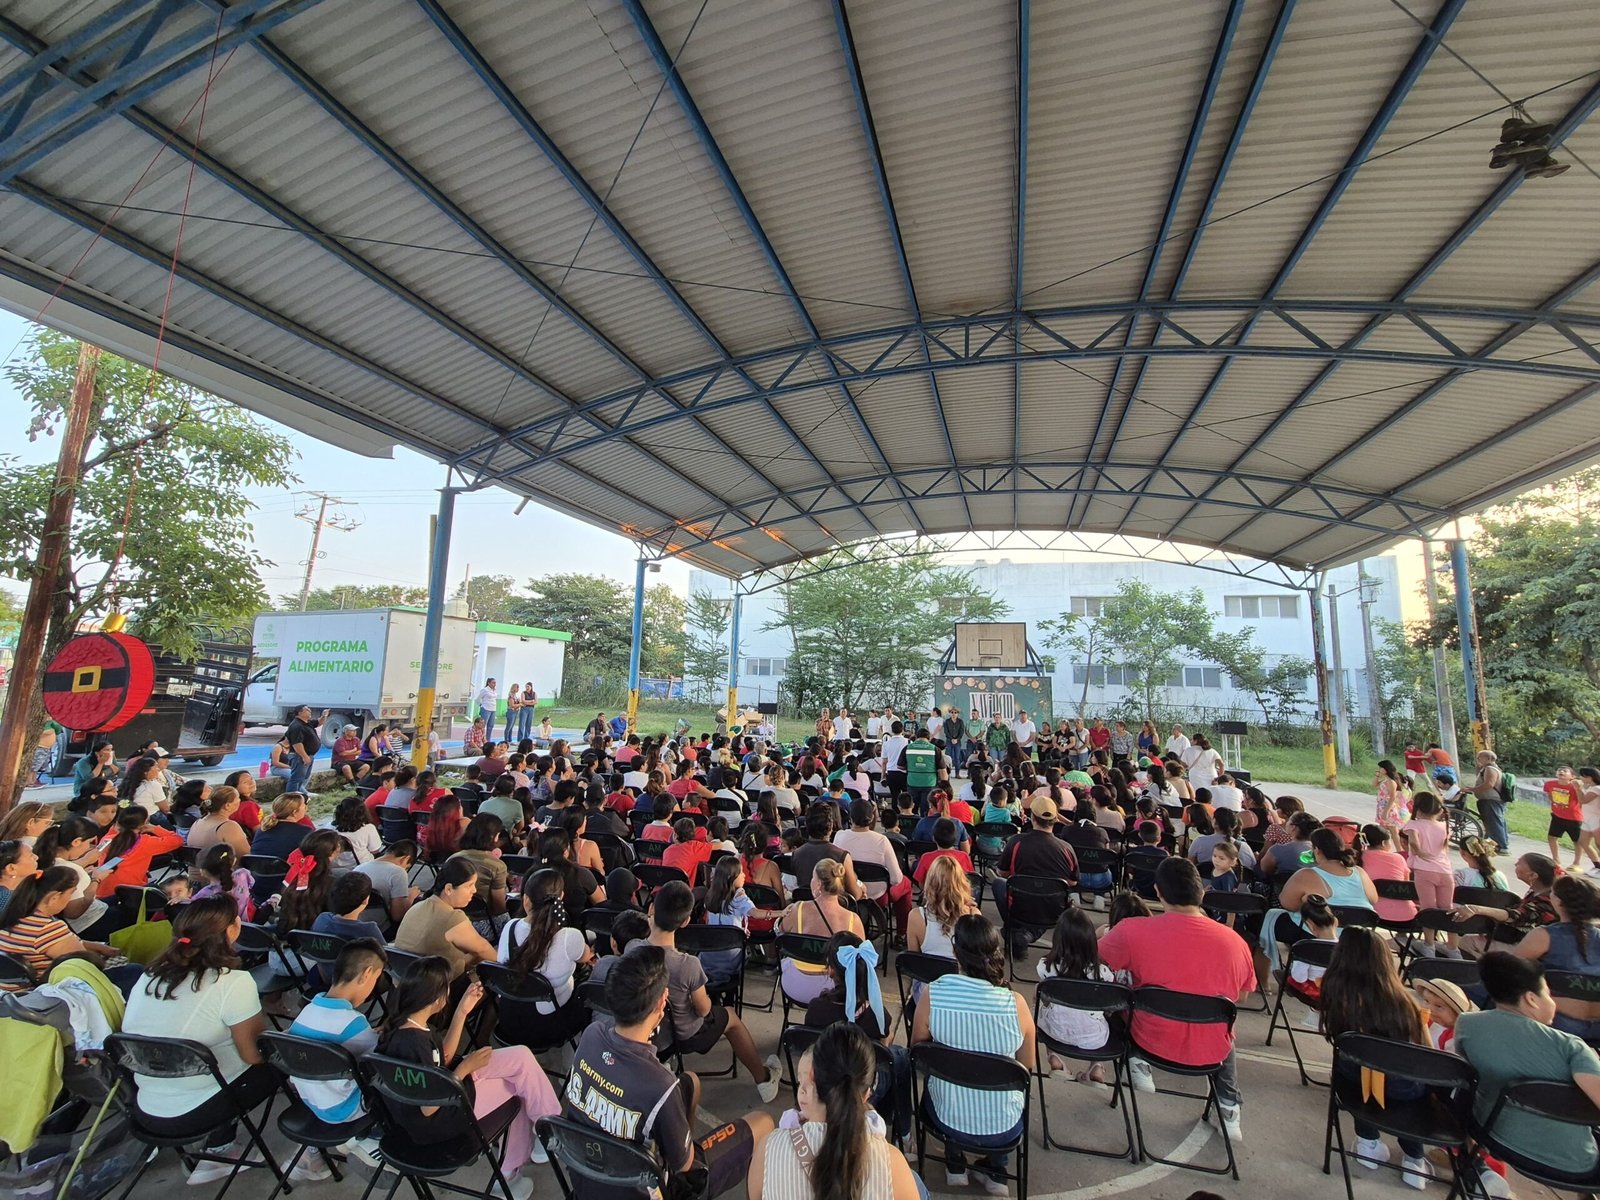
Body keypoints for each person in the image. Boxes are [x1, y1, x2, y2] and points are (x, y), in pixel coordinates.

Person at [566, 945, 774, 1200]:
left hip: (587, 1181)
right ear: (661, 1002)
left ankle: (677, 1141)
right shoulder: (659, 1084)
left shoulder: (591, 1037)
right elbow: (685, 1167)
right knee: (763, 1122)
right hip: (647, 1190)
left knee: (690, 1083)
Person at [121, 895, 294, 1185]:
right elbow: (255, 1055)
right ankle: (223, 1149)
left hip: (146, 1109)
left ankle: (217, 1148)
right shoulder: (233, 982)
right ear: (231, 930)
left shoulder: (148, 975)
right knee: (286, 1056)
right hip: (196, 1113)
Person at [1100, 858, 1255, 1143]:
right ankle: (1229, 1105)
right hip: (1211, 1049)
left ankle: (1135, 1060)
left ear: (1158, 892)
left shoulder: (1131, 931)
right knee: (1224, 1025)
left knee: (1119, 995)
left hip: (1148, 1038)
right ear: (1202, 893)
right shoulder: (1236, 942)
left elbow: (1092, 963)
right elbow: (1241, 996)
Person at [378, 956, 559, 1199]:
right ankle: (527, 1153)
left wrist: (462, 1011)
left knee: (521, 1059)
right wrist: (464, 1069)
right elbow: (428, 1107)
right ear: (437, 998)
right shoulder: (415, 1044)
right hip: (441, 1117)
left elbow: (442, 1058)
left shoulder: (403, 1027)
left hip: (442, 1092)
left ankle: (543, 1130)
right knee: (516, 1085)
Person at [912, 914, 1035, 1195]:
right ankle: (997, 1168)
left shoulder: (934, 994)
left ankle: (955, 1161)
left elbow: (918, 1050)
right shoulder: (1015, 1004)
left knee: (943, 1074)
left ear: (956, 952)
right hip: (1003, 1126)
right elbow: (1026, 1065)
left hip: (946, 1118)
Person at [1456, 953, 1600, 1186]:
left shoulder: (1467, 1024)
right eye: (1548, 994)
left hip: (1490, 1135)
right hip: (1571, 1164)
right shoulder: (1571, 1047)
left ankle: (1475, 1167)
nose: (1552, 1001)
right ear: (1531, 999)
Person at [1317, 926, 1437, 1187]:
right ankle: (1414, 1161)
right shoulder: (1405, 1003)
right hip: (1404, 1089)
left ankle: (1368, 1145)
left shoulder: (1334, 992)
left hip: (1354, 1083)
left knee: (1360, 1072)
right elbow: (1427, 1055)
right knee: (1411, 1087)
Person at [748, 1022, 919, 1200]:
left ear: (811, 1075)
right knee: (916, 1182)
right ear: (867, 1094)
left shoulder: (767, 1151)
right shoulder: (893, 1165)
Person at [648, 880, 782, 1101]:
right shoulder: (687, 964)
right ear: (685, 921)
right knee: (730, 1016)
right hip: (684, 1034)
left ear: (651, 908)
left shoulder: (633, 948)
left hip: (650, 1034)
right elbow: (703, 1010)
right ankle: (764, 1079)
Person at [285, 937, 386, 1164]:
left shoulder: (305, 1013)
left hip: (312, 1103)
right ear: (366, 974)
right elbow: (380, 1058)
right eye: (376, 979)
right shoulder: (353, 1024)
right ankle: (370, 1138)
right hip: (346, 1110)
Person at [0, 865, 141, 993]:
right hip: (45, 992)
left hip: (11, 992)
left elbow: (58, 944)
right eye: (71, 893)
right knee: (135, 970)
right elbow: (87, 964)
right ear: (55, 897)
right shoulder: (47, 928)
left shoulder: (14, 916)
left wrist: (96, 946)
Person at [499, 869, 595, 1043]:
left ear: (526, 900)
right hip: (548, 1029)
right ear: (561, 897)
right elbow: (585, 956)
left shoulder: (509, 927)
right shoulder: (569, 936)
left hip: (508, 1020)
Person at [1513, 873, 1600, 1040]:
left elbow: (1508, 972)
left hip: (1556, 1024)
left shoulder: (1544, 936)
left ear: (1558, 901)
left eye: (1552, 892)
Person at [1035, 907, 1114, 1081]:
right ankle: (1097, 1066)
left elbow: (1042, 999)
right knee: (1104, 1013)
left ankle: (1053, 1056)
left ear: (1058, 939)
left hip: (1054, 1031)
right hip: (1094, 1037)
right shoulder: (1102, 973)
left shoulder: (1046, 967)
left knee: (1038, 996)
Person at [393, 856, 499, 982]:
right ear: (448, 889)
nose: (474, 890)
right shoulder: (452, 918)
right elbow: (484, 950)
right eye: (469, 885)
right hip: (438, 987)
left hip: (406, 982)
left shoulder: (416, 907)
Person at [993, 797, 1077, 956]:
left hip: (1020, 906)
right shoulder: (1066, 848)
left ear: (1032, 818)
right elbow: (1072, 881)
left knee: (999, 883)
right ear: (1055, 819)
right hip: (1054, 909)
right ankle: (1027, 933)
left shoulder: (1016, 842)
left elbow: (1002, 872)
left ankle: (1017, 930)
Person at [776, 861, 866, 1006]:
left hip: (795, 985)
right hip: (835, 990)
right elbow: (863, 961)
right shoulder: (853, 920)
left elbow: (781, 936)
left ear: (818, 884)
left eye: (813, 877)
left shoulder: (797, 909)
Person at [93, 806, 182, 899]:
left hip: (101, 893)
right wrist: (154, 829)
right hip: (130, 894)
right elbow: (178, 840)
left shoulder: (106, 839)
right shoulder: (146, 842)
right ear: (143, 824)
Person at [907, 856, 980, 959]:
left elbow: (912, 961)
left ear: (929, 882)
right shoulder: (973, 915)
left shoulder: (916, 917)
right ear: (961, 883)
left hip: (927, 969)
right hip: (960, 969)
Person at [1400, 791, 1454, 915]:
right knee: (1447, 908)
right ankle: (1448, 928)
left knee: (1427, 909)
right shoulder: (1444, 826)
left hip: (1424, 870)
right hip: (1445, 870)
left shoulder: (1414, 824)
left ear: (1417, 809)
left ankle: (1429, 929)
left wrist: (1419, 852)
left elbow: (1413, 842)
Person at [185, 786, 251, 858]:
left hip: (197, 864)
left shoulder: (197, 822)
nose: (240, 800)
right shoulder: (229, 826)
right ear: (227, 805)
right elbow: (246, 857)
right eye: (238, 798)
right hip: (217, 865)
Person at [249, 793, 316, 862]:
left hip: (255, 867)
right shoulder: (305, 831)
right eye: (304, 806)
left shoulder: (263, 828)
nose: (306, 808)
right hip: (282, 868)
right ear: (294, 812)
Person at [1545, 766, 1590, 868]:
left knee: (1577, 841)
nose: (1561, 771)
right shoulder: (1549, 784)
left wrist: (1579, 788)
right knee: (1552, 837)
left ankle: (1576, 863)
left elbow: (1582, 799)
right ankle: (1556, 860)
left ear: (1572, 776)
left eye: (1565, 771)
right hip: (1557, 816)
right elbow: (1550, 795)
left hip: (1574, 818)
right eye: (1559, 770)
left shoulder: (1575, 786)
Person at [284, 705, 328, 796]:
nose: (310, 711)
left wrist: (324, 716)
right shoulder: (296, 726)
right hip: (300, 756)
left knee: (303, 777)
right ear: (300, 713)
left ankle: (299, 795)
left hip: (308, 755)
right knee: (296, 778)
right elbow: (297, 743)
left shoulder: (307, 723)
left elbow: (319, 722)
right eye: (307, 710)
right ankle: (291, 797)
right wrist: (304, 756)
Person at [1471, 749, 1510, 852]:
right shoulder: (1491, 768)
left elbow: (1489, 784)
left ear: (1488, 758)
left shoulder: (1490, 769)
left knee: (1494, 823)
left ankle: (1501, 846)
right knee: (1495, 822)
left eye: (1480, 757)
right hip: (1489, 800)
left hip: (1491, 799)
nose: (1478, 759)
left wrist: (1472, 789)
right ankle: (1498, 844)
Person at [474, 677, 499, 743]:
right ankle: (481, 739)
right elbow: (477, 699)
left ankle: (488, 740)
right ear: (489, 683)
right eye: (493, 683)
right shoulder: (485, 690)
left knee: (491, 726)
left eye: (495, 683)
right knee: (482, 725)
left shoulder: (494, 690)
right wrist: (482, 705)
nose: (495, 684)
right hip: (486, 709)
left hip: (493, 709)